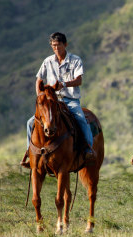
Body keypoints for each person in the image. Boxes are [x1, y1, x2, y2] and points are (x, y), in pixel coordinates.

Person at [20, 32, 95, 168]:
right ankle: (30, 153)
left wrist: (65, 84)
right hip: (50, 102)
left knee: (80, 119)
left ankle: (88, 149)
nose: (56, 48)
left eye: (58, 45)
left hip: (70, 100)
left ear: (65, 44)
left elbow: (79, 80)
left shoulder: (75, 60)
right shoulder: (47, 61)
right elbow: (39, 79)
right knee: (31, 122)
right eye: (53, 45)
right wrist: (40, 97)